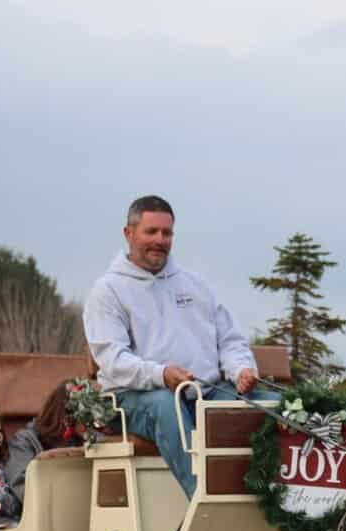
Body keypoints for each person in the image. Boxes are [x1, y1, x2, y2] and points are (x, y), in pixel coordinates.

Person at [83, 195, 279, 500]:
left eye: (167, 233)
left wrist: (241, 369)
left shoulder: (195, 285)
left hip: (205, 393)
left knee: (278, 405)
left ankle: (285, 502)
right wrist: (162, 374)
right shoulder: (107, 291)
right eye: (151, 232)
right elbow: (113, 360)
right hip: (134, 399)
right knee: (166, 404)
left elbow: (230, 340)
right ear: (129, 233)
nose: (160, 240)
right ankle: (206, 502)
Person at [4, 380, 82, 507]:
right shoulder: (25, 441)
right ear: (65, 416)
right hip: (40, 511)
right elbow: (21, 487)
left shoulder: (83, 439)